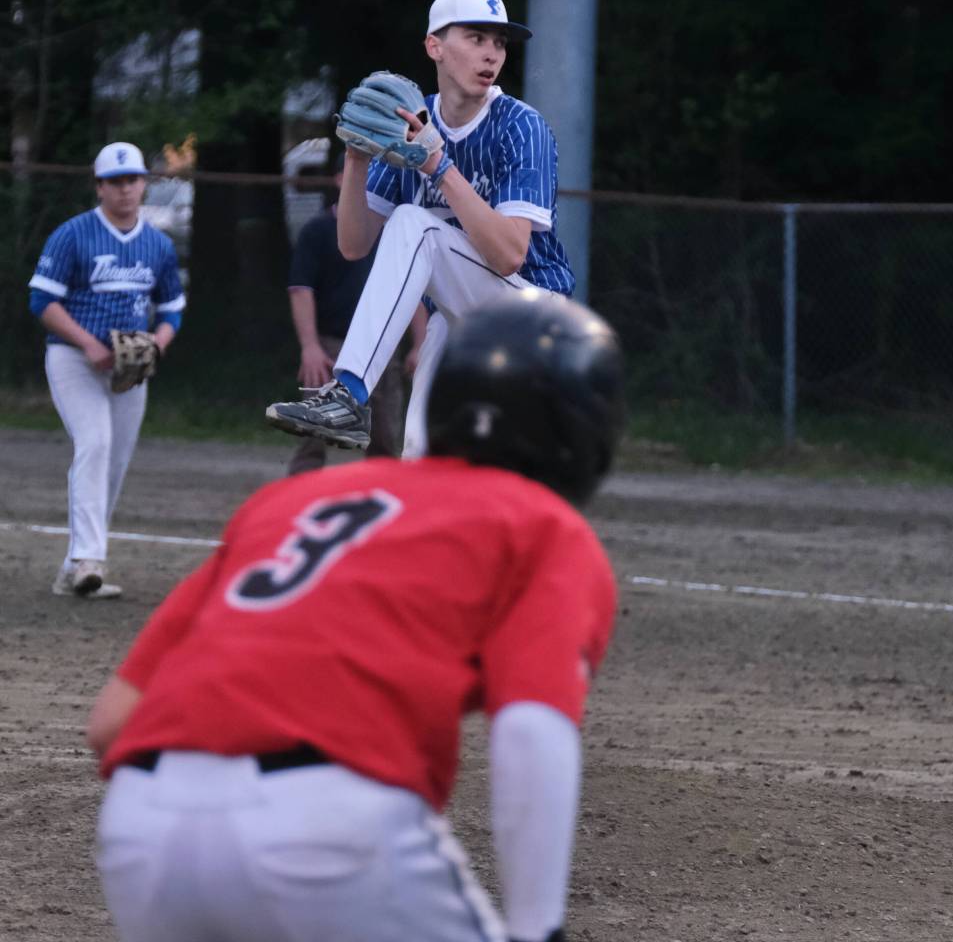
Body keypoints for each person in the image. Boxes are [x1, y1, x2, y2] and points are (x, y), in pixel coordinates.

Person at [87, 290, 624, 942]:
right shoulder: (541, 525)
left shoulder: (292, 503)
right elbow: (531, 731)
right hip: (330, 826)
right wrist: (538, 929)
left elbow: (112, 723)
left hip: (144, 828)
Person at [266, 0, 574, 458]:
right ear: (435, 46)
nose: (491, 53)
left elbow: (511, 255)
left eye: (498, 42)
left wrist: (439, 167)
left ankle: (349, 394)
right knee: (420, 460)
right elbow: (354, 244)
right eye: (476, 37)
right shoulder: (411, 124)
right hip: (458, 315)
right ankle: (353, 403)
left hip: (531, 313)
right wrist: (356, 159)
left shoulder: (520, 126)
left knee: (415, 223)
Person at [28, 142, 186, 599]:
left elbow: (172, 307)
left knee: (113, 464)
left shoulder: (157, 243)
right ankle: (88, 560)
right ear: (99, 187)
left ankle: (71, 568)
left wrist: (158, 343)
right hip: (72, 358)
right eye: (115, 182)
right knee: (94, 444)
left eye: (133, 179)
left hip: (130, 368)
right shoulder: (73, 234)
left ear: (144, 184)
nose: (125, 189)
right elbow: (42, 301)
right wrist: (89, 344)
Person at [285, 150, 426, 474]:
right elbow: (301, 290)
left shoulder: (394, 230)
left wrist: (420, 344)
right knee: (311, 432)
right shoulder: (318, 231)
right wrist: (310, 347)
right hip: (331, 345)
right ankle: (298, 501)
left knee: (386, 436)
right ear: (340, 179)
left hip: (383, 348)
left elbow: (413, 289)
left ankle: (383, 501)